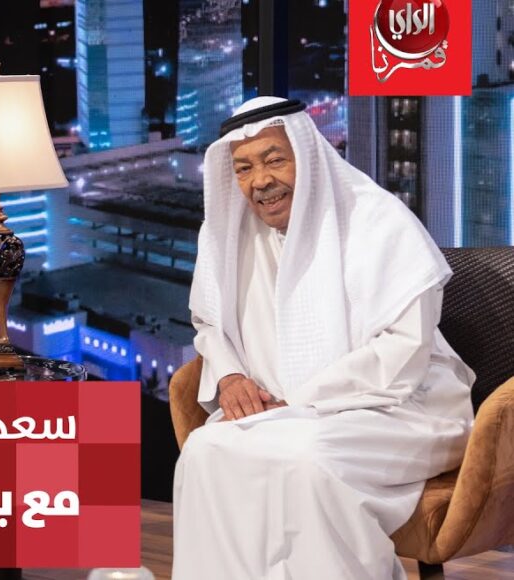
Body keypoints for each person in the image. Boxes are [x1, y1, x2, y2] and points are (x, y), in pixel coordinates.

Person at [173, 96, 474, 579]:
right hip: (279, 416)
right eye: (244, 168)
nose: (260, 181)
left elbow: (405, 349)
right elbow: (210, 324)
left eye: (274, 160)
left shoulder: (377, 220)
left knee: (308, 461)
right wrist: (229, 377)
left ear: (308, 157)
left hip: (401, 411)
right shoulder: (229, 233)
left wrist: (299, 401)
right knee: (204, 452)